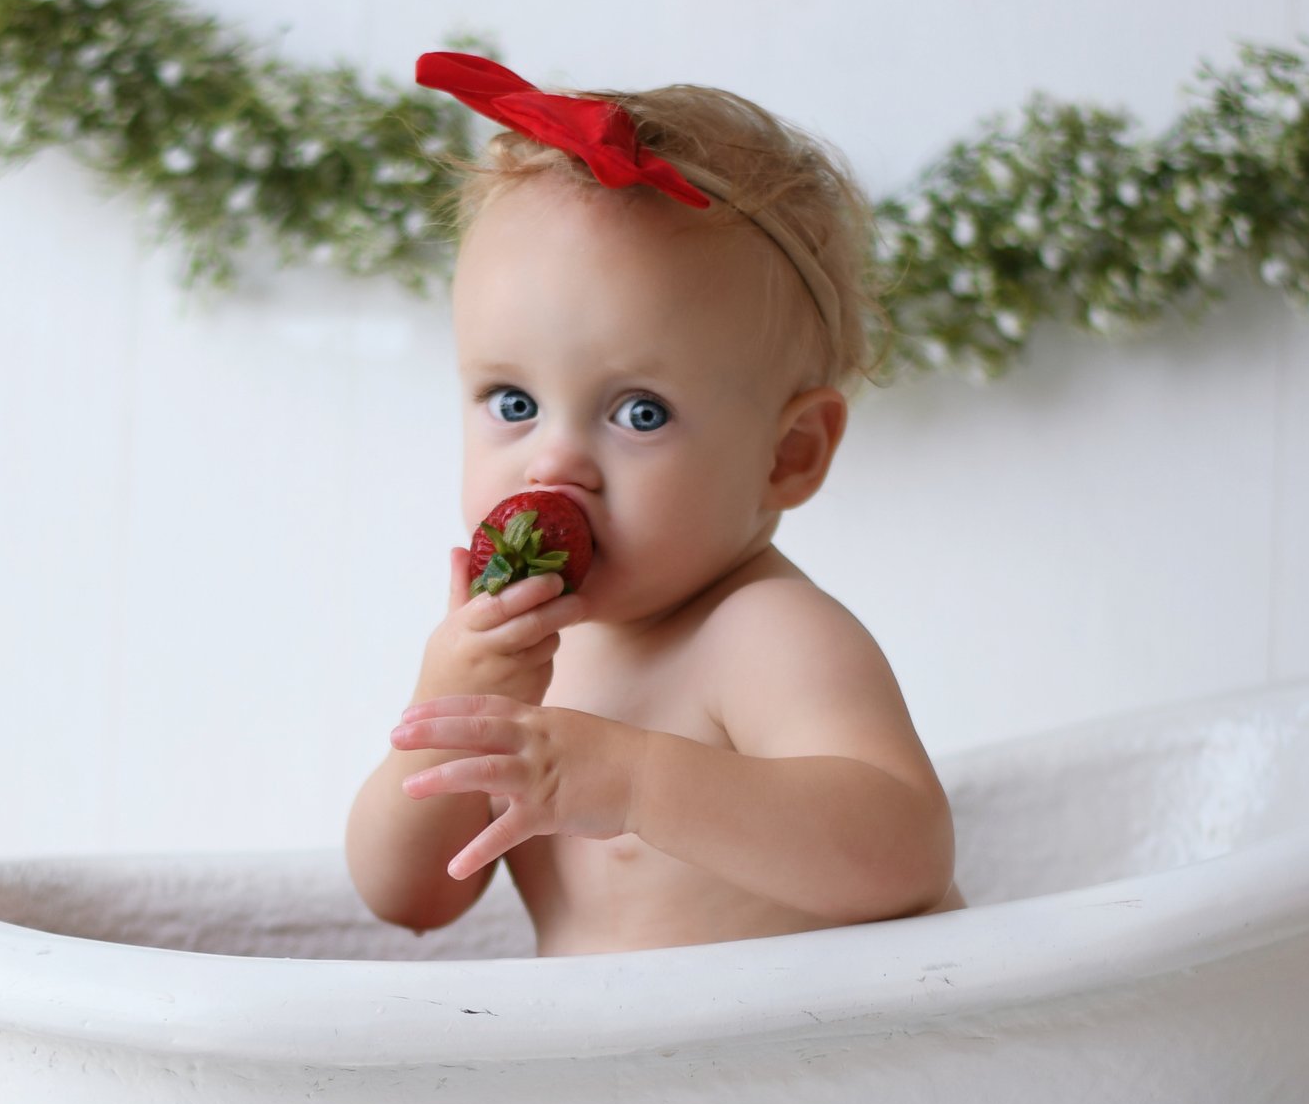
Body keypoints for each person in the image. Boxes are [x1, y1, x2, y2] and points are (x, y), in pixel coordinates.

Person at [346, 55, 960, 955]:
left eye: (640, 413)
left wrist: (634, 781)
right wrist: (442, 717)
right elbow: (406, 900)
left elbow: (905, 851)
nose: (553, 460)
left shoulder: (763, 635)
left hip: (798, 1077)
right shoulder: (518, 657)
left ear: (787, 456)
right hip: (617, 1085)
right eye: (513, 403)